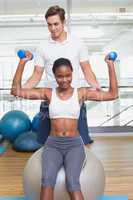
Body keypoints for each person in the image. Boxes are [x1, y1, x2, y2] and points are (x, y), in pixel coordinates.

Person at [11, 55, 118, 200]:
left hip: (74, 145)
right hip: (53, 145)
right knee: (47, 181)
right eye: (60, 76)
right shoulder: (48, 93)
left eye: (68, 75)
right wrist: (22, 62)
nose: (64, 80)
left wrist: (110, 65)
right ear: (54, 76)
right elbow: (16, 91)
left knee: (72, 183)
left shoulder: (81, 93)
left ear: (72, 73)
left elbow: (113, 94)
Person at [23, 5, 101, 147]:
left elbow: (87, 70)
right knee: (44, 142)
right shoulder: (42, 46)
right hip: (50, 100)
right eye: (49, 25)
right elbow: (36, 74)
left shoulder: (78, 43)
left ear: (63, 23)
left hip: (75, 99)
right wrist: (22, 90)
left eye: (56, 24)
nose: (53, 28)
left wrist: (97, 87)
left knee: (82, 142)